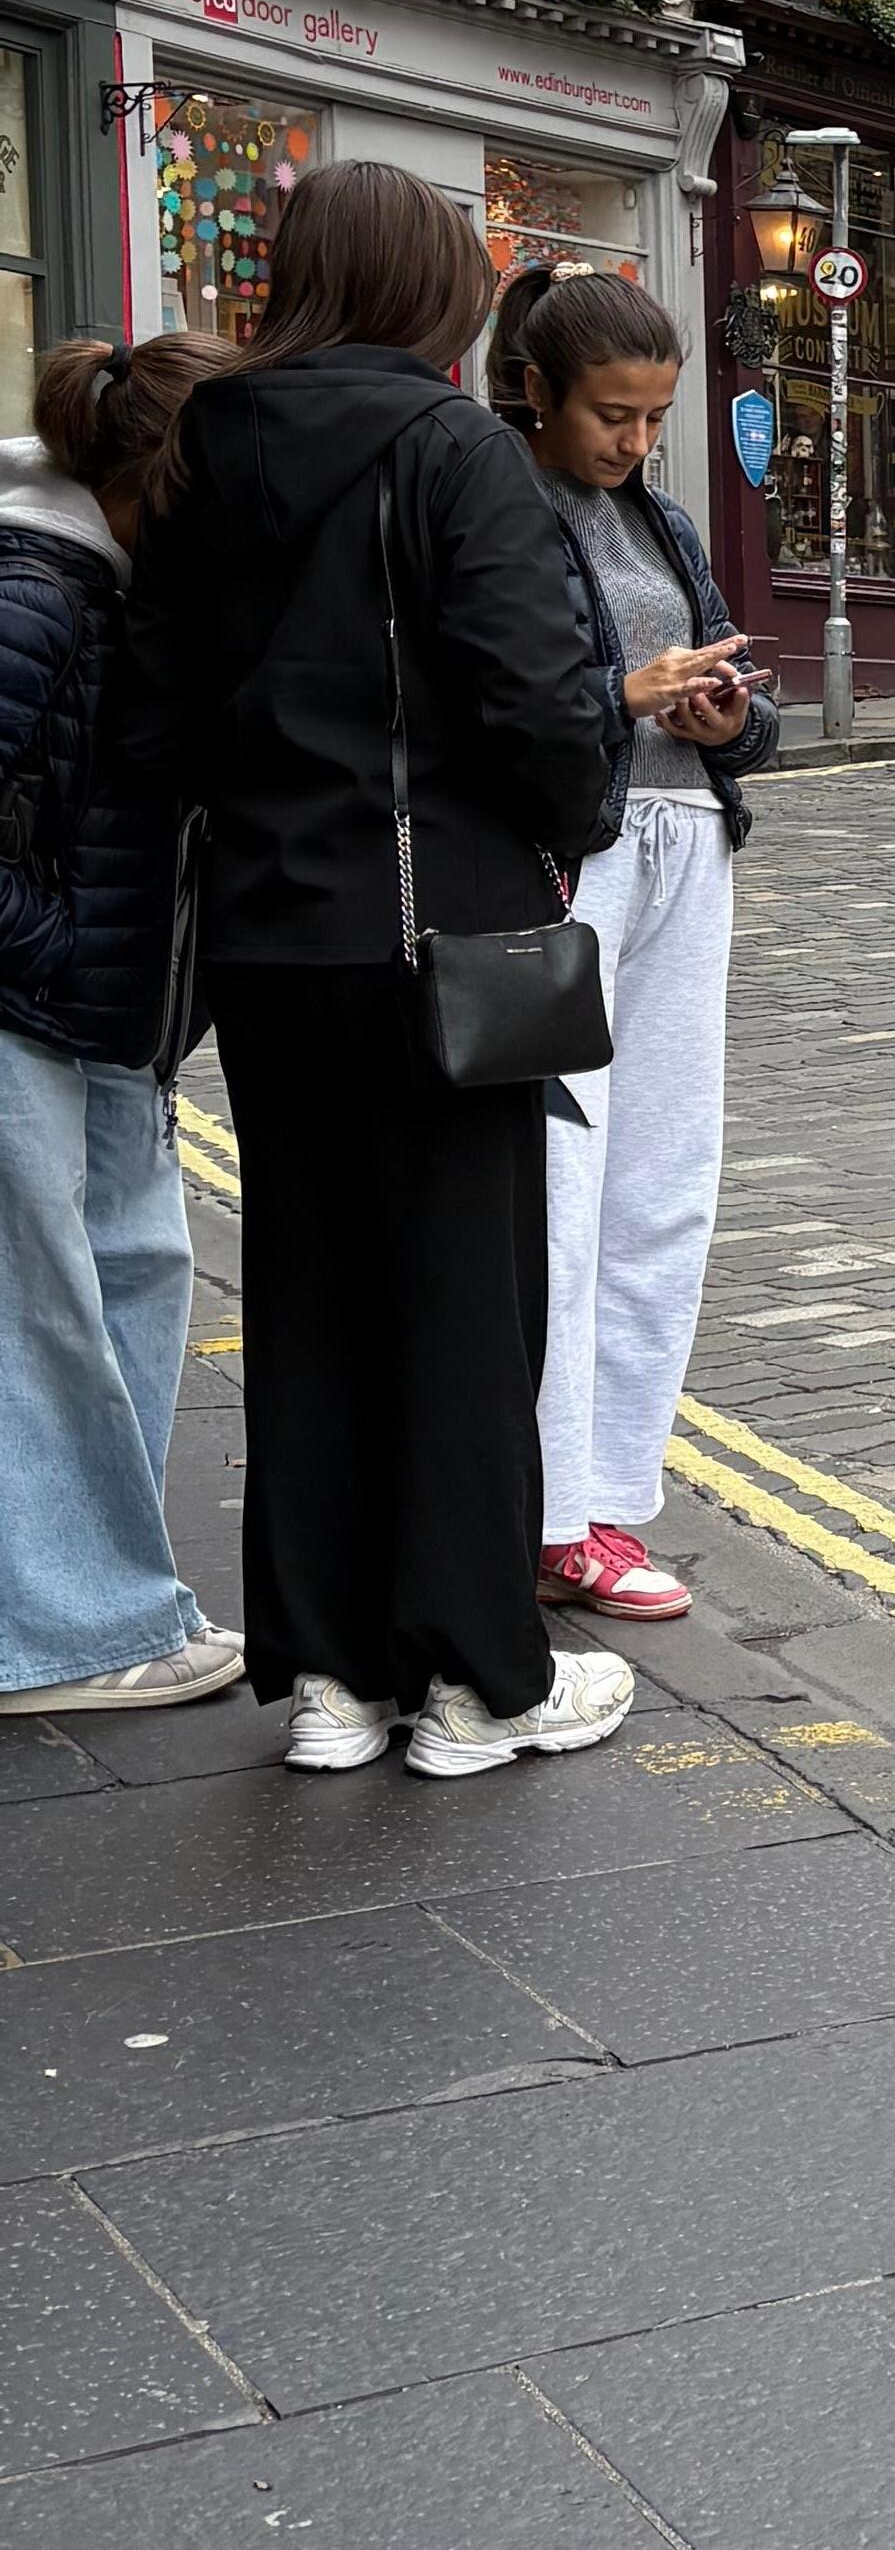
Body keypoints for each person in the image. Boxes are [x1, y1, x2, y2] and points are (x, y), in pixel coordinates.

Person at [115, 158, 639, 1775]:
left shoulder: (202, 448)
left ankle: (336, 1679)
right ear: (430, 291)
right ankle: (479, 1682)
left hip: (270, 943)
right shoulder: (451, 445)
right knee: (464, 1308)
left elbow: (154, 719)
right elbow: (539, 698)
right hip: (438, 941)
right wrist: (578, 812)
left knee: (315, 1301)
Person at [491, 260, 775, 1634]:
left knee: (666, 1180)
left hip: (685, 846)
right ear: (536, 389)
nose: (635, 441)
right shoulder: (496, 501)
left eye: (655, 416)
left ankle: (607, 1493)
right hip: (575, 862)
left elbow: (742, 710)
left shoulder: (661, 518)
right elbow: (496, 703)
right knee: (561, 1181)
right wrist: (622, 691)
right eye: (612, 413)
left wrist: (729, 719)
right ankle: (546, 1512)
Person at [0, 332, 243, 1716]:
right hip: (34, 1007)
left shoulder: (105, 583)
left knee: (135, 1273)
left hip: (97, 1020)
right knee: (42, 1313)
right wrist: (54, 958)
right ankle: (64, 1632)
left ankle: (100, 1592)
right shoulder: (35, 590)